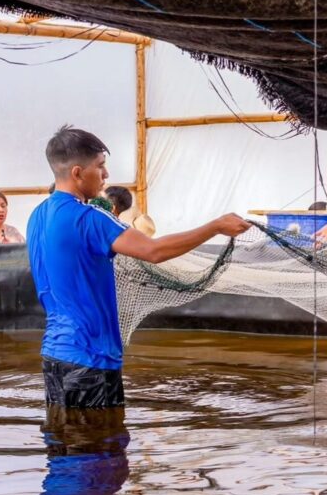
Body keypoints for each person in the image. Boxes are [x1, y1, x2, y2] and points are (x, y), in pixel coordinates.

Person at [27, 125, 250, 408]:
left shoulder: (37, 216)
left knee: (65, 431)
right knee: (103, 435)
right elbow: (154, 251)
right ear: (77, 173)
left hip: (54, 354)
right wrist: (215, 226)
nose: (106, 174)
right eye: (100, 166)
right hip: (91, 357)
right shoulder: (90, 218)